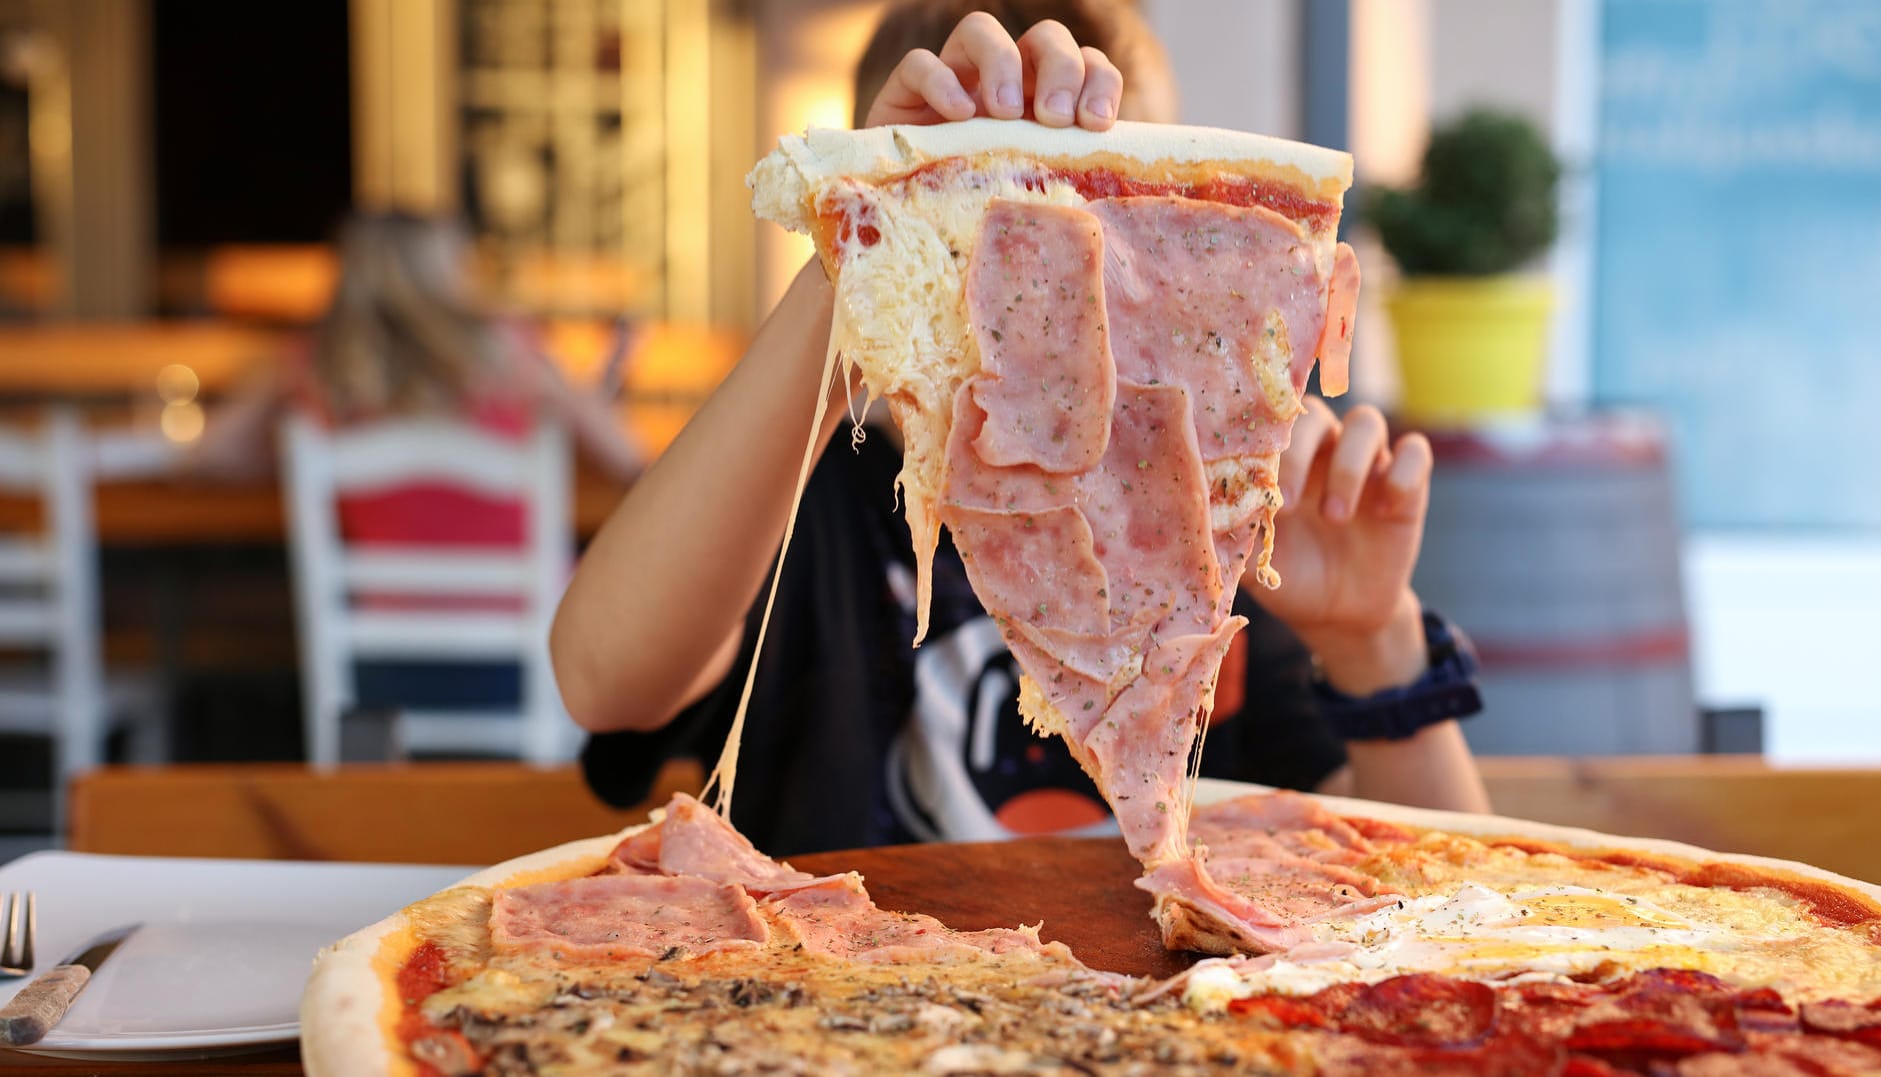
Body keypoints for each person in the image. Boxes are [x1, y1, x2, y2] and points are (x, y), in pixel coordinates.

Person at [553, 1, 1489, 857]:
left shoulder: (1207, 531)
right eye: (996, 236)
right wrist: (856, 241)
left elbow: (1438, 900)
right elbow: (604, 678)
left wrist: (1372, 637)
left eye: (1135, 239)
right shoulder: (809, 503)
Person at [194, 210, 646, 722]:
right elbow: (627, 456)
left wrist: (290, 456)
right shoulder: (510, 350)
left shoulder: (315, 364)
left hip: (381, 666)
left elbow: (210, 451)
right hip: (531, 657)